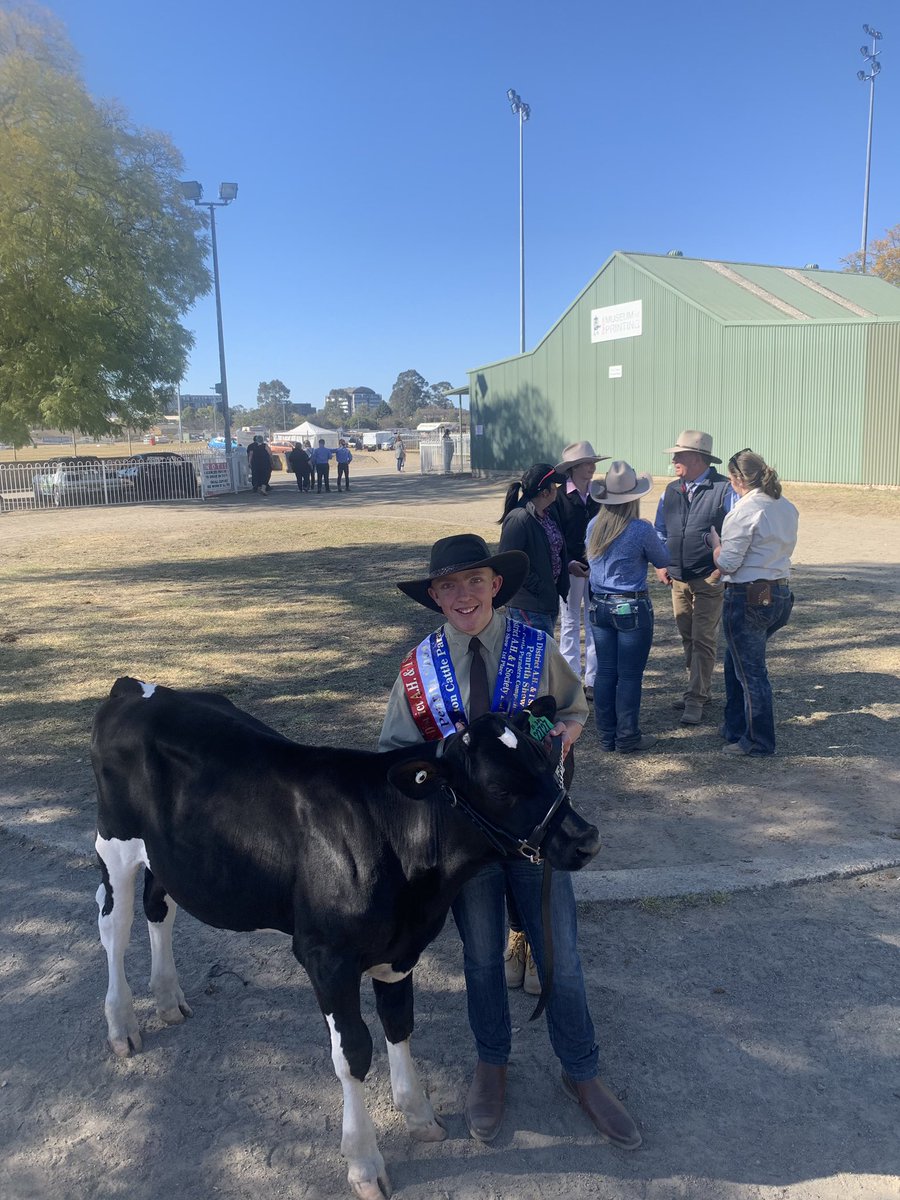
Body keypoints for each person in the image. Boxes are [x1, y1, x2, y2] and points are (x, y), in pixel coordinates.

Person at [379, 534, 641, 1150]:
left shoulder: (535, 647)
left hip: (534, 837)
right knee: (479, 958)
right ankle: (491, 1064)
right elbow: (394, 754)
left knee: (561, 957)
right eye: (449, 585)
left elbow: (572, 709)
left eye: (475, 581)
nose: (463, 594)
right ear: (435, 597)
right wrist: (446, 761)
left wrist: (539, 738)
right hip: (468, 848)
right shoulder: (418, 672)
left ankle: (583, 1074)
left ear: (497, 585)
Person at [710, 449, 799, 756]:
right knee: (738, 661)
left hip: (746, 594)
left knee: (750, 671)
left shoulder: (744, 511)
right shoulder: (786, 507)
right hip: (777, 592)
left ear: (737, 479)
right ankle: (734, 727)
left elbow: (729, 564)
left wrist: (716, 546)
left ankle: (758, 740)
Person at [586, 463, 669, 753]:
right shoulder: (640, 530)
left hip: (600, 606)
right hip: (631, 606)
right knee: (630, 675)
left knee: (606, 672)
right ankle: (627, 735)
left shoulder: (594, 526)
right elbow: (663, 559)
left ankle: (607, 735)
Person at [654, 430, 733, 725]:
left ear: (698, 459)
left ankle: (696, 699)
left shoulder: (724, 490)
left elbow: (733, 533)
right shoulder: (671, 490)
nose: (674, 459)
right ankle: (698, 688)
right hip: (677, 577)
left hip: (709, 577)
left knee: (703, 638)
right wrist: (661, 563)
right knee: (687, 634)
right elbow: (660, 529)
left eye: (680, 455)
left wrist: (719, 568)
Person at [552, 441, 611, 701]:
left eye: (593, 463)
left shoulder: (600, 493)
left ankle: (593, 680)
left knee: (594, 622)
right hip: (572, 569)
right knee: (570, 624)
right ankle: (572, 679)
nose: (592, 467)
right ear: (573, 468)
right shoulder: (558, 496)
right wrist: (567, 564)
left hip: (597, 568)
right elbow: (555, 535)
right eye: (587, 463)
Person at [498, 463, 570, 636]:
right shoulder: (519, 519)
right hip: (528, 604)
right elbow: (508, 562)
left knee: (543, 656)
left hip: (546, 600)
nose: (558, 489)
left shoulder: (548, 513)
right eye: (555, 485)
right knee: (535, 658)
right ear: (545, 492)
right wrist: (539, 587)